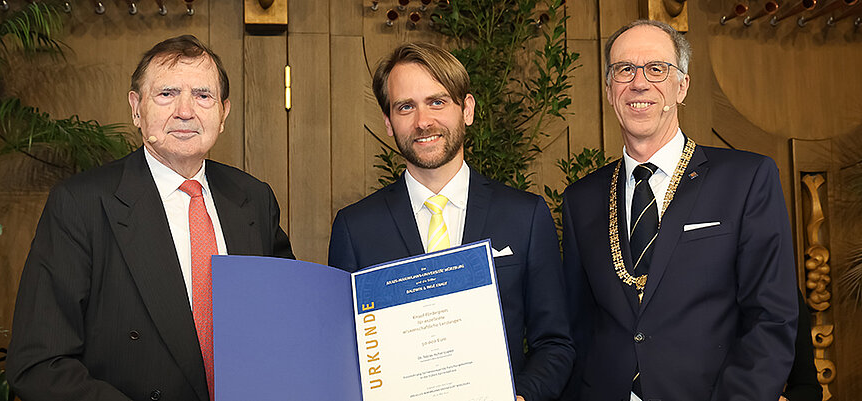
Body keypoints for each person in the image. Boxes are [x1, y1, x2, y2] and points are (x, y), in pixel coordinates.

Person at [7, 35, 293, 401]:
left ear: (223, 113)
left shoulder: (253, 199)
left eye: (203, 95)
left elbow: (286, 322)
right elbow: (38, 363)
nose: (185, 111)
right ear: (136, 108)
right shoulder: (81, 204)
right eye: (167, 94)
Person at [561, 20, 797, 400]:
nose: (639, 83)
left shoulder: (746, 179)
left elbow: (771, 317)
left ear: (682, 85)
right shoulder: (580, 200)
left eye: (656, 69)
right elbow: (577, 328)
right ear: (608, 90)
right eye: (624, 69)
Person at [328, 42, 574, 401]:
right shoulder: (355, 228)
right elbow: (342, 355)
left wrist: (521, 397)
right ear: (388, 123)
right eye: (405, 107)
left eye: (437, 102)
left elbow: (554, 343)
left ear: (467, 110)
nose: (422, 121)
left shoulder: (525, 216)